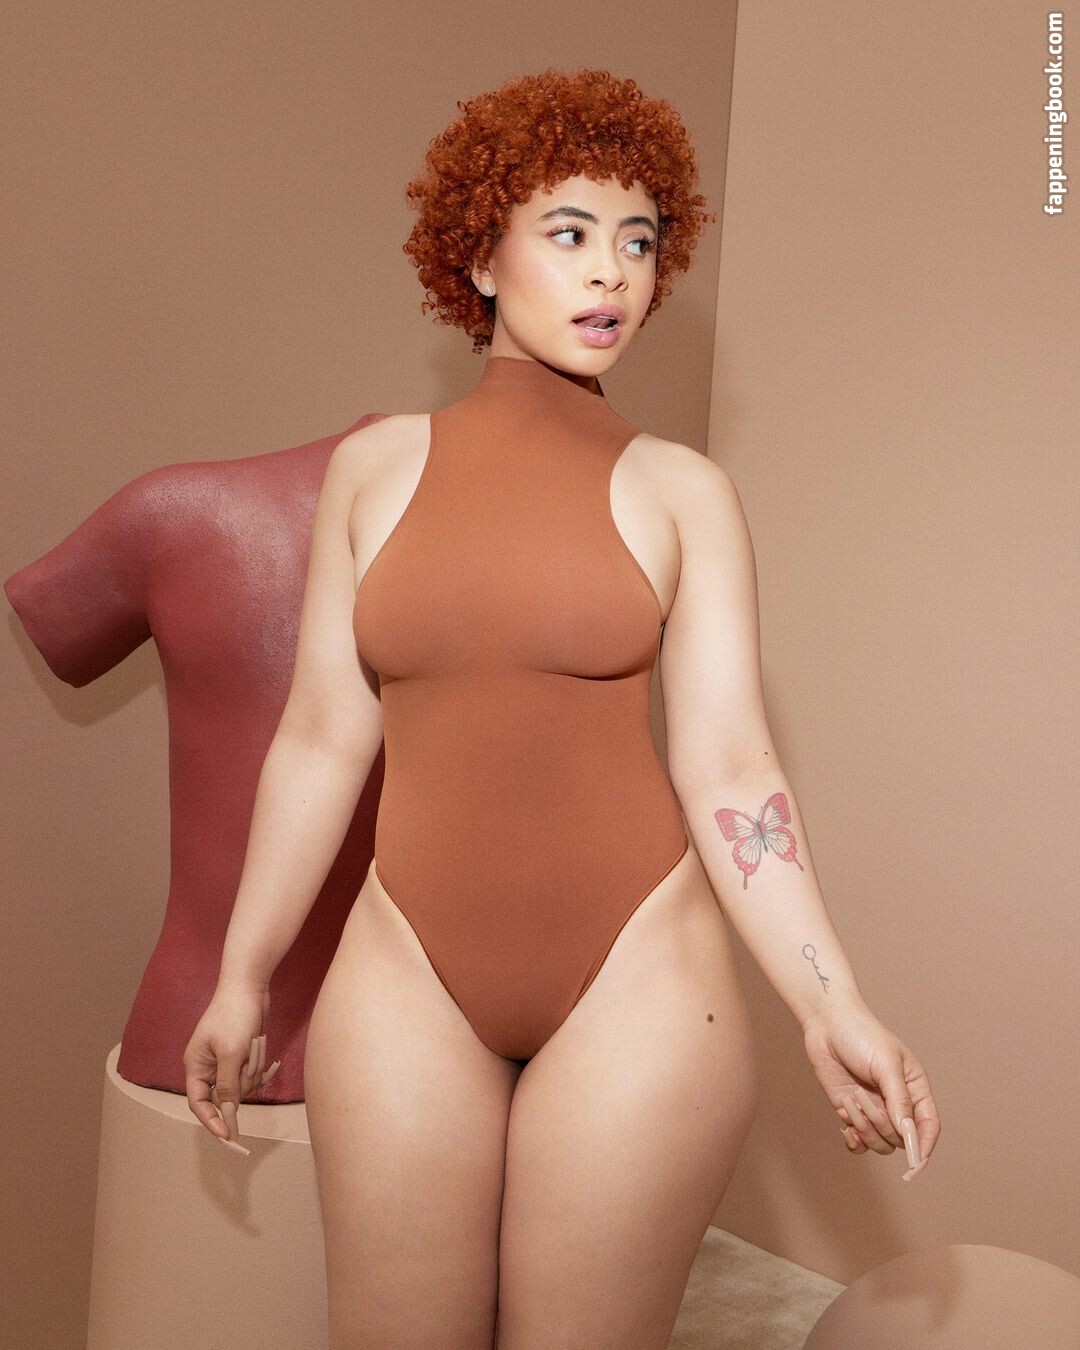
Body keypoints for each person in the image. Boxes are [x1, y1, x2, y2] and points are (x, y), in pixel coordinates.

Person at [184, 67, 940, 1349]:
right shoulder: (371, 469)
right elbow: (320, 736)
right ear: (480, 258)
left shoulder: (684, 490)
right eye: (572, 234)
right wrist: (241, 976)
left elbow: (732, 766)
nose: (611, 274)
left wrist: (832, 1002)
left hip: (642, 979)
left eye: (639, 243)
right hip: (405, 968)